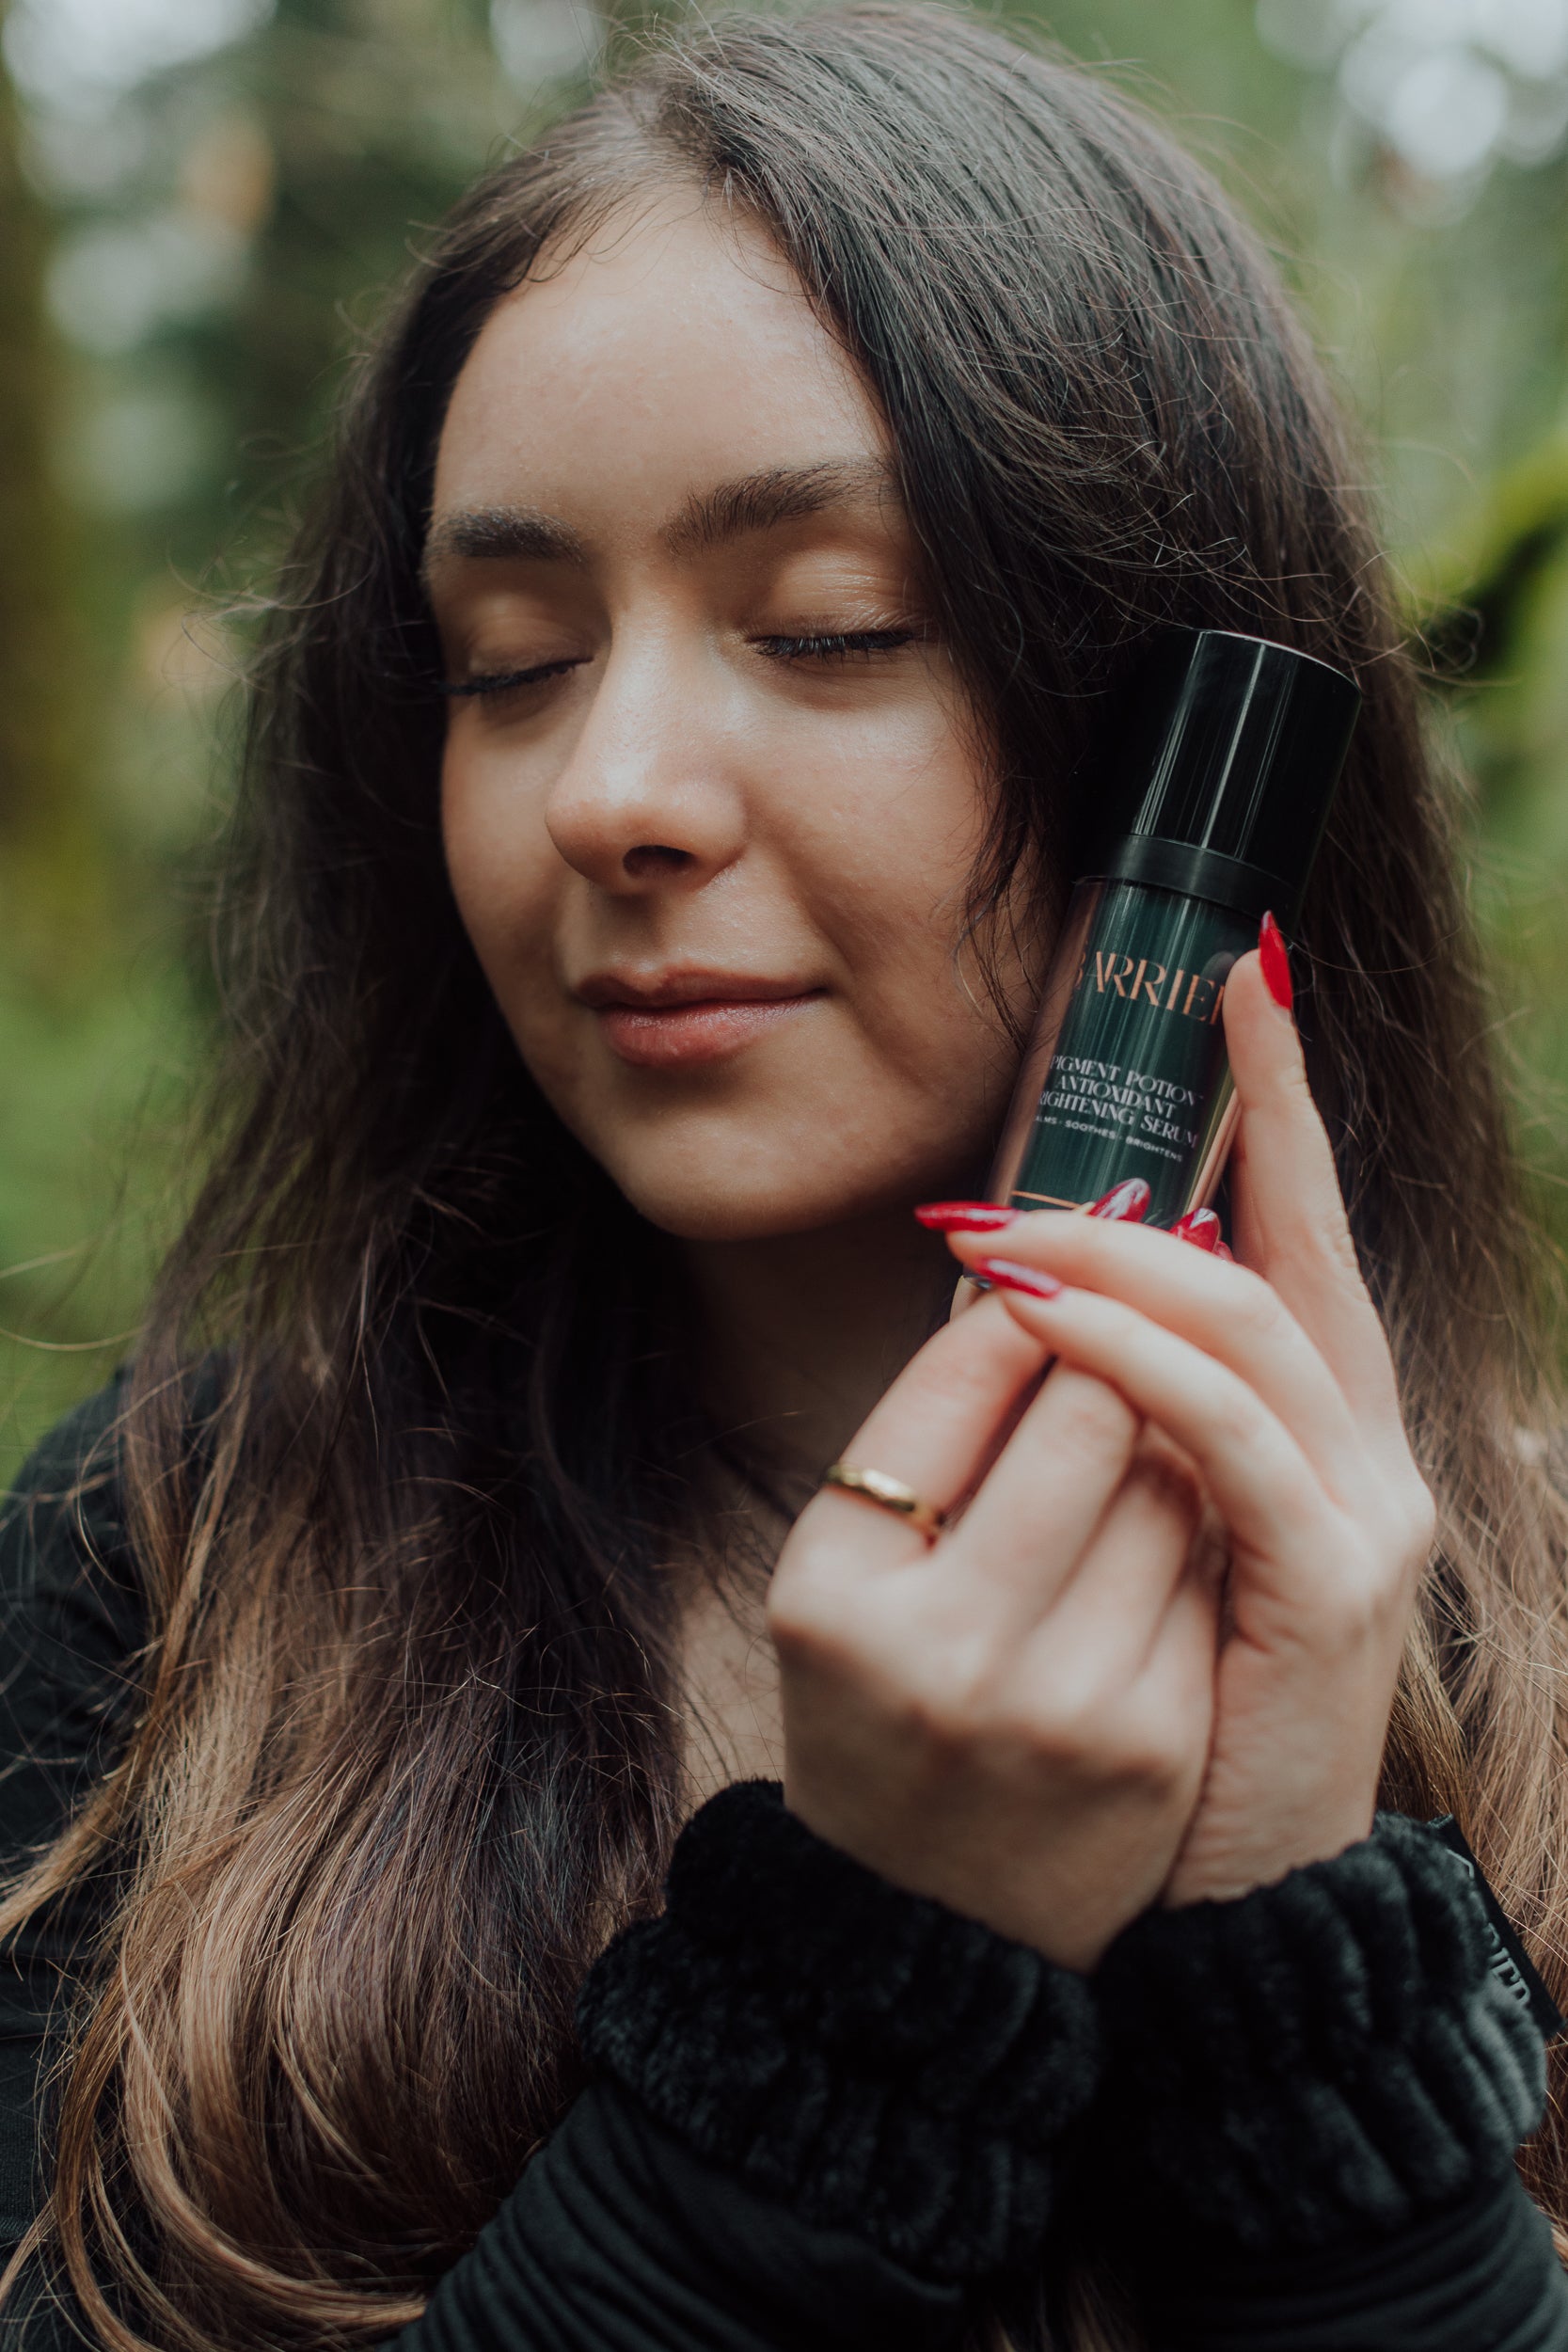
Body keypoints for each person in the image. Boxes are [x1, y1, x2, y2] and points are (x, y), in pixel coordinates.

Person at [3, 8, 1566, 2347]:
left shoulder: (1543, 1622)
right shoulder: (157, 1573)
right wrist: (856, 1971)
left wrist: (1306, 1976)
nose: (607, 787)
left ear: (1182, 730)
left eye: (829, 627)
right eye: (506, 661)